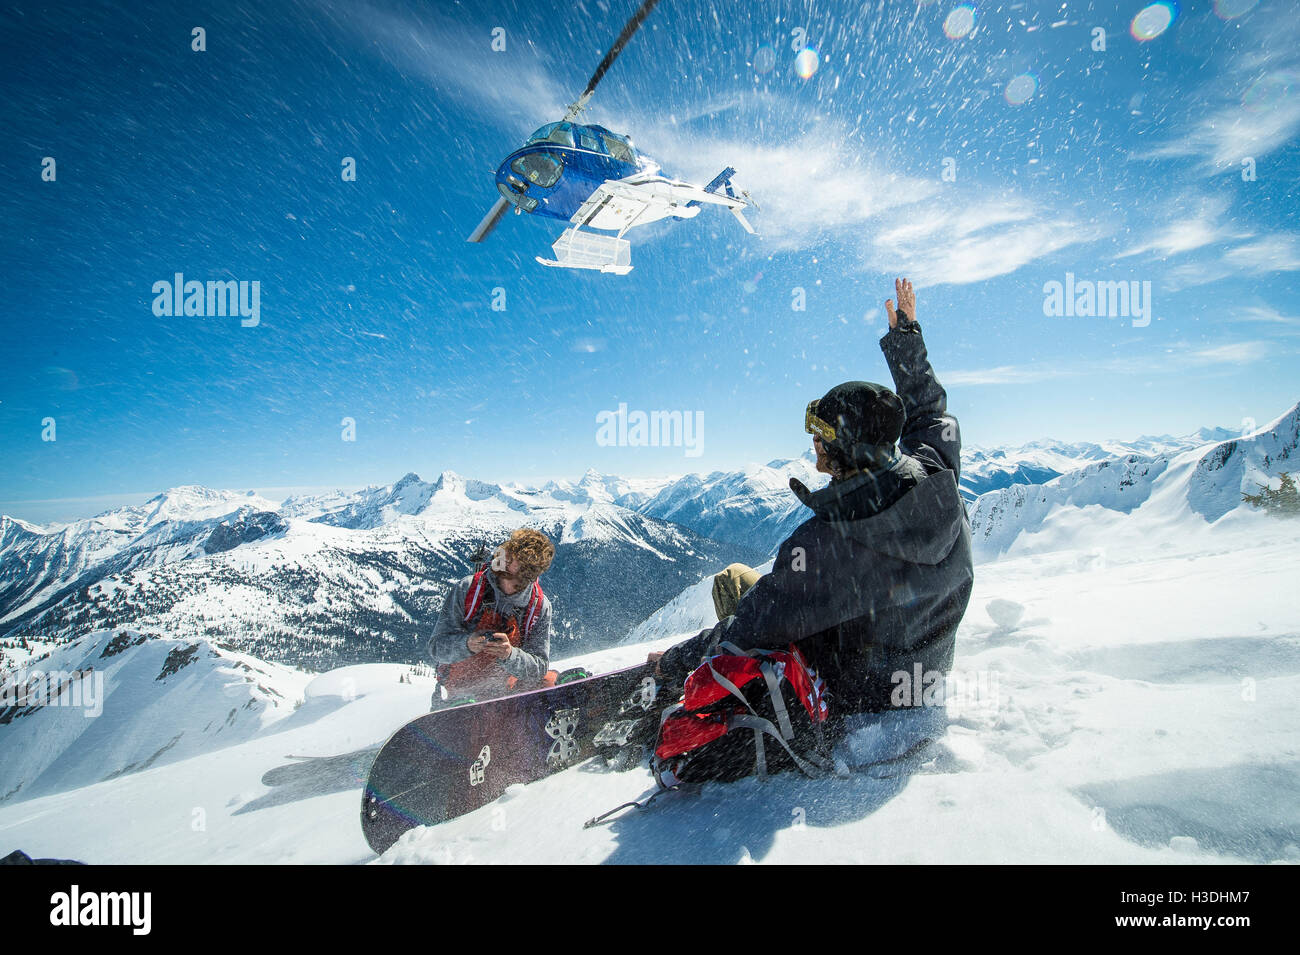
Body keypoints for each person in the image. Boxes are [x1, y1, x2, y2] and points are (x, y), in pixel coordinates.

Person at [651, 277, 973, 738]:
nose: (813, 446)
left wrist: (672, 661)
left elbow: (752, 626)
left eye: (821, 437)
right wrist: (906, 342)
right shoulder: (934, 475)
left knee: (733, 585)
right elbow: (930, 415)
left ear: (848, 450)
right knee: (749, 587)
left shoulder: (829, 546)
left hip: (860, 698)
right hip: (925, 674)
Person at [429, 528, 555, 704]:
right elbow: (437, 648)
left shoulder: (538, 607)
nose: (510, 587)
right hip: (461, 689)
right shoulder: (468, 590)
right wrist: (467, 644)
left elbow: (539, 667)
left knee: (550, 682)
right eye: (508, 574)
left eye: (519, 582)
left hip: (506, 686)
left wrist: (510, 655)